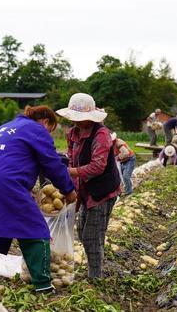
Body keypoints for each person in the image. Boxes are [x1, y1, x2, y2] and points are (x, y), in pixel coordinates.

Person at [0, 105, 76, 292]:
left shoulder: (4, 128)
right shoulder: (36, 129)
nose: (49, 134)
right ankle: (43, 284)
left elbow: (11, 158)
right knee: (35, 228)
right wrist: (68, 190)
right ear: (46, 121)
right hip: (5, 182)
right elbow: (52, 163)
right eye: (51, 130)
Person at [58, 93, 121, 280]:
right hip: (86, 190)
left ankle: (95, 277)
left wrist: (70, 172)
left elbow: (97, 167)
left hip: (103, 190)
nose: (77, 122)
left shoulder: (101, 135)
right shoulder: (73, 133)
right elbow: (72, 159)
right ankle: (93, 270)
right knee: (82, 231)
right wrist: (74, 194)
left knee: (92, 235)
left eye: (80, 119)